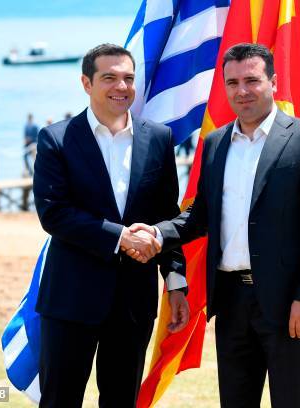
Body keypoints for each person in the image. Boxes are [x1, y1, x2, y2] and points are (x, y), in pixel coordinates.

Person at [128, 43, 300, 408]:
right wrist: (157, 233)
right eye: (232, 83)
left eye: (252, 80)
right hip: (229, 301)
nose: (242, 91)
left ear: (273, 82)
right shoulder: (214, 144)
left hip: (287, 301)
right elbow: (199, 218)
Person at [32, 43, 190, 407]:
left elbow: (167, 215)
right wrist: (121, 237)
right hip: (71, 297)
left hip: (134, 300)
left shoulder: (159, 138)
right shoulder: (56, 138)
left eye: (128, 78)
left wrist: (176, 282)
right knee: (59, 399)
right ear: (86, 83)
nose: (122, 86)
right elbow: (54, 213)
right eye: (110, 78)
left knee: (122, 400)